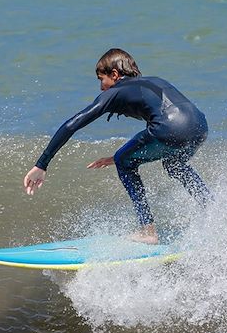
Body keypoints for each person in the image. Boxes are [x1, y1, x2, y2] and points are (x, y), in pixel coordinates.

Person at [23, 48, 212, 245]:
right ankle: (210, 208)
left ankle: (148, 231)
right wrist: (120, 156)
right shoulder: (155, 80)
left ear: (114, 74)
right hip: (199, 127)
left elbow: (72, 124)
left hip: (169, 128)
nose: (101, 87)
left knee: (124, 160)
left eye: (101, 79)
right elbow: (172, 120)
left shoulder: (114, 92)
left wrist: (42, 164)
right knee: (173, 164)